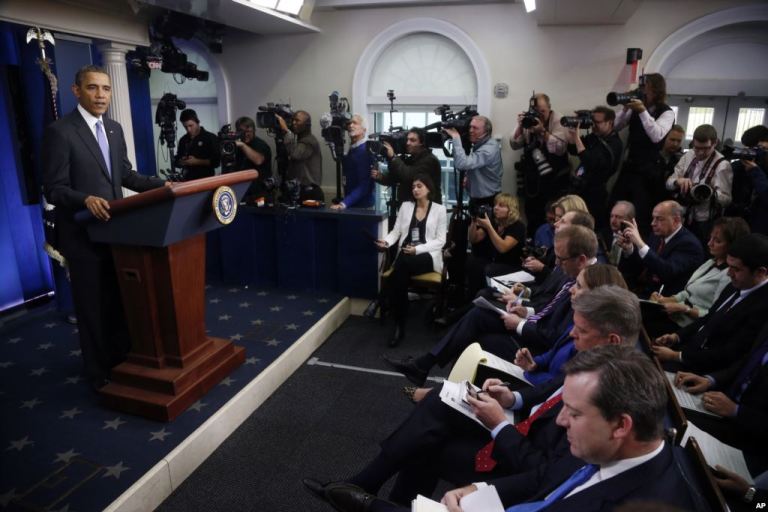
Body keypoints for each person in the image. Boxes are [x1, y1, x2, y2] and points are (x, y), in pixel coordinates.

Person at [305, 289, 642, 510]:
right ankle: (373, 493)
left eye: (580, 331)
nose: (571, 334)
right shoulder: (596, 363)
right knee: (438, 408)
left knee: (431, 432)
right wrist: (511, 397)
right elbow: (549, 389)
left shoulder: (607, 400)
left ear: (612, 340)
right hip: (522, 427)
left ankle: (366, 491)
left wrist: (498, 426)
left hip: (520, 460)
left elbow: (544, 474)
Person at [315, 345, 697, 512]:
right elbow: (546, 479)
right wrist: (478, 490)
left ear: (620, 426)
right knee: (431, 434)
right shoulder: (612, 451)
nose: (561, 419)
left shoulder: (645, 500)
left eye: (574, 413)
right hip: (508, 487)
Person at [42, 65, 168, 390]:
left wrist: (165, 186)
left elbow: (126, 175)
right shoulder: (61, 131)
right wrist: (85, 200)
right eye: (93, 88)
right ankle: (99, 374)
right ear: (76, 91)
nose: (101, 95)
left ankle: (122, 360)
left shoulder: (113, 129)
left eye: (106, 88)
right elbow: (53, 189)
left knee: (118, 301)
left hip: (116, 233)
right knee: (92, 306)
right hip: (81, 236)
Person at [384, 225, 597, 385]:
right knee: (479, 314)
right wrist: (525, 310)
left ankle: (437, 380)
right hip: (532, 322)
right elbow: (548, 303)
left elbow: (555, 336)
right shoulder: (572, 272)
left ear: (581, 259)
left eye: (561, 259)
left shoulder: (589, 285)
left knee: (477, 337)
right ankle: (432, 374)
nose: (557, 264)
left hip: (538, 347)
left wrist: (519, 324)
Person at [652, 232, 768, 374]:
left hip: (703, 370)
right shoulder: (735, 285)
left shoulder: (762, 307)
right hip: (689, 352)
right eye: (729, 266)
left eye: (736, 269)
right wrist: (676, 337)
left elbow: (730, 353)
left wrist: (677, 356)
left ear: (760, 272)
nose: (728, 273)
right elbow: (707, 320)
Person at [673, 320, 768, 472]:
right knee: (672, 406)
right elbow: (747, 360)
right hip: (723, 403)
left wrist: (736, 411)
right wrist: (710, 380)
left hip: (748, 435)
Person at [644, 217, 749, 336]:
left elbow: (714, 314)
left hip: (689, 327)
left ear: (732, 246)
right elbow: (687, 293)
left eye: (717, 241)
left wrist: (685, 309)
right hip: (676, 316)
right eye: (710, 238)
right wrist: (664, 300)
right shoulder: (710, 262)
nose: (709, 243)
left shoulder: (729, 275)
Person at [376, 174, 447, 346]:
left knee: (402, 266)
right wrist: (386, 242)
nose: (415, 189)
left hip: (427, 255)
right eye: (413, 186)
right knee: (402, 269)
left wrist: (417, 249)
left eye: (419, 186)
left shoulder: (439, 209)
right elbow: (396, 232)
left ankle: (383, 301)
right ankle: (399, 324)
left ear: (428, 188)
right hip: (406, 254)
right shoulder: (406, 207)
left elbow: (440, 241)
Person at [610, 73, 675, 234]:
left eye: (646, 89)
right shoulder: (634, 109)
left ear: (656, 91)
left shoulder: (667, 112)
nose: (643, 92)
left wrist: (642, 111)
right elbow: (615, 127)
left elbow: (656, 136)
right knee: (615, 204)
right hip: (630, 166)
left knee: (641, 212)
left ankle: (638, 242)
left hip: (649, 171)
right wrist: (625, 108)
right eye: (641, 88)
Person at [617, 200, 705, 296]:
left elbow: (667, 272)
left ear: (676, 220)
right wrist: (629, 249)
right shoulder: (656, 236)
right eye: (653, 218)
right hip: (645, 292)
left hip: (669, 299)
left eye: (659, 219)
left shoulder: (689, 244)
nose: (652, 223)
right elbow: (644, 263)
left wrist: (640, 243)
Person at [511, 93, 570, 236]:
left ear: (549, 108)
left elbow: (561, 149)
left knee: (552, 217)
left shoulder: (559, 120)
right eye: (536, 111)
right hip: (532, 181)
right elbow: (514, 144)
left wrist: (543, 132)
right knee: (532, 216)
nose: (539, 115)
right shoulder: (529, 119)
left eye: (542, 111)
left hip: (554, 181)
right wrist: (520, 125)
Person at [666, 124, 732, 243]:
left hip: (703, 221)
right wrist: (678, 181)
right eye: (697, 147)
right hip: (682, 214)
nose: (700, 152)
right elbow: (668, 184)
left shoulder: (722, 165)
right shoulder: (689, 155)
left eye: (706, 148)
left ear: (715, 143)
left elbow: (727, 199)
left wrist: (709, 193)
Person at [565, 106, 623, 227]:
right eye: (592, 121)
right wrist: (572, 134)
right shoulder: (594, 137)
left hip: (595, 194)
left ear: (610, 122)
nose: (593, 125)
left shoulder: (615, 143)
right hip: (579, 187)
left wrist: (577, 138)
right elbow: (573, 150)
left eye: (597, 122)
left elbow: (590, 162)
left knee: (588, 227)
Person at [465, 193, 526, 299]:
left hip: (511, 266)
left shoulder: (518, 226)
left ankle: (481, 297)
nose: (495, 208)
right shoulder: (495, 223)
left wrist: (489, 227)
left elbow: (503, 248)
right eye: (495, 205)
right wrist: (473, 221)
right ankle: (472, 298)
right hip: (495, 262)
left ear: (510, 210)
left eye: (501, 206)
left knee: (488, 269)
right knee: (473, 262)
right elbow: (473, 239)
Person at [444, 115, 503, 210]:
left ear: (486, 132)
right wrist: (468, 176)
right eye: (470, 127)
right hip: (476, 199)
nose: (470, 130)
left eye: (475, 128)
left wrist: (456, 136)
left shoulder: (489, 149)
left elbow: (462, 164)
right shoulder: (479, 144)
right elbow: (476, 166)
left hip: (487, 201)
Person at [372, 127, 442, 207]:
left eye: (412, 140)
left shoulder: (430, 160)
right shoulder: (412, 158)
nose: (408, 143)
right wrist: (380, 176)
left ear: (422, 143)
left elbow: (408, 176)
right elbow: (396, 177)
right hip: (410, 207)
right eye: (407, 140)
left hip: (427, 209)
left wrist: (393, 157)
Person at [726, 124, 768, 235]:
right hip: (738, 224)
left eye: (760, 149)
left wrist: (756, 172)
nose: (753, 153)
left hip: (761, 231)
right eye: (749, 149)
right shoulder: (739, 167)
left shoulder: (757, 172)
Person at [330, 114, 376, 210]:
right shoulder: (352, 149)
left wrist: (344, 203)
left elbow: (364, 185)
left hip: (363, 207)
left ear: (364, 130)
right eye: (349, 123)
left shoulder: (365, 150)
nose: (350, 125)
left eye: (355, 123)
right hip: (352, 204)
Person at [276, 110, 323, 201]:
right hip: (298, 190)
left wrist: (287, 132)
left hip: (309, 193)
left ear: (307, 124)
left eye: (297, 120)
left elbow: (295, 155)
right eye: (293, 120)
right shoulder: (300, 141)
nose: (293, 123)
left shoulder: (309, 141)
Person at [232, 116, 272, 199]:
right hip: (241, 190)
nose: (245, 134)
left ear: (254, 130)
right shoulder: (235, 145)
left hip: (259, 191)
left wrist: (243, 145)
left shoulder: (261, 144)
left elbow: (258, 160)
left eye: (248, 131)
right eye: (241, 131)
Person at [175, 108, 220, 181]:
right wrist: (181, 161)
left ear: (197, 122)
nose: (188, 129)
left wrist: (197, 161)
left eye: (191, 125)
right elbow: (177, 159)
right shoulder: (183, 140)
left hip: (206, 180)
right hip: (187, 180)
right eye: (185, 127)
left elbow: (216, 162)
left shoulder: (210, 137)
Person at [600, 200, 636, 266]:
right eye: (611, 216)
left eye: (618, 217)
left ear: (630, 220)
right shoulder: (602, 235)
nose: (613, 221)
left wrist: (628, 250)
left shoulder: (638, 241)